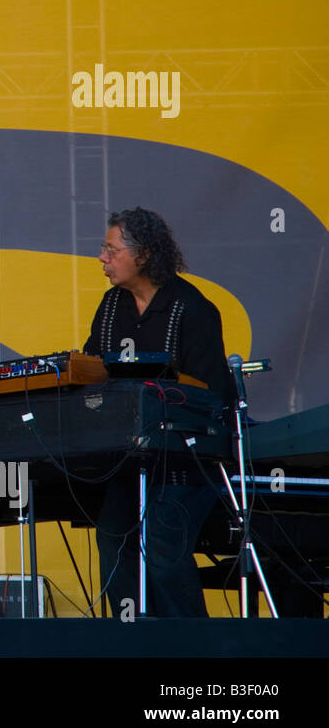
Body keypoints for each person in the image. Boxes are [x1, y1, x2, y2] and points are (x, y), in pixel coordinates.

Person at [84, 207, 230, 617]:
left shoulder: (193, 309)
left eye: (111, 250)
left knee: (162, 540)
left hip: (188, 459)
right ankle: (136, 641)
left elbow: (208, 397)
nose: (102, 258)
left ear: (143, 254)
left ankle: (190, 645)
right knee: (113, 537)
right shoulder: (112, 306)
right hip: (132, 458)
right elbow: (94, 369)